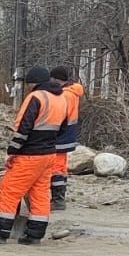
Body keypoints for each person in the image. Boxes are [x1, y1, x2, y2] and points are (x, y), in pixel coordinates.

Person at [0, 65, 66, 245]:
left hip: (30, 154)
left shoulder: (35, 97)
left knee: (8, 190)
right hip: (49, 154)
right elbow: (63, 129)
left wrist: (12, 152)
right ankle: (34, 235)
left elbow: (23, 129)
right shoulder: (61, 99)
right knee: (40, 193)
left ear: (33, 83)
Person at [49, 64, 84, 210]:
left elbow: (58, 115)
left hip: (59, 135)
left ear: (56, 79)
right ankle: (58, 198)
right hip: (67, 135)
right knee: (60, 167)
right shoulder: (73, 92)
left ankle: (58, 201)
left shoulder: (64, 95)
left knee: (56, 168)